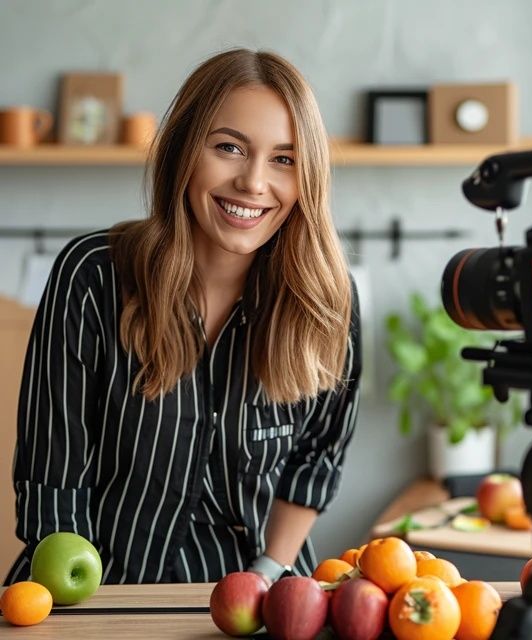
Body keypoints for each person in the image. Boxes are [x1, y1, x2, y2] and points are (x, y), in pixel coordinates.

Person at [5, 48, 361, 586]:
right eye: (229, 148)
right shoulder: (93, 277)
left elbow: (316, 461)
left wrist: (265, 577)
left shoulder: (326, 299)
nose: (253, 182)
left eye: (284, 159)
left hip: (264, 592)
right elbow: (54, 482)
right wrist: (86, 611)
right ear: (182, 151)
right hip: (98, 591)